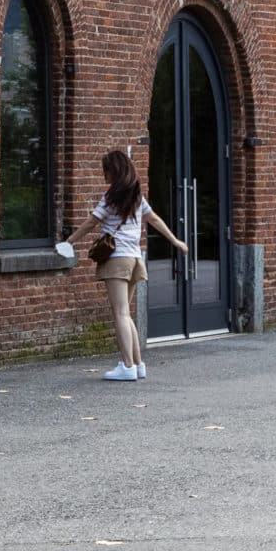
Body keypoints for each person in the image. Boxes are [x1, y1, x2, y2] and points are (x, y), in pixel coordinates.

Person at [87, 146, 186, 382]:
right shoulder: (137, 198)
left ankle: (127, 366)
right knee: (126, 313)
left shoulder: (111, 198)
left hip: (116, 259)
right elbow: (154, 220)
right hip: (134, 259)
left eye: (106, 171)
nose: (105, 175)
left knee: (120, 313)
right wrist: (175, 240)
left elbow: (90, 223)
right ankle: (138, 365)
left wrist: (69, 241)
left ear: (113, 171)